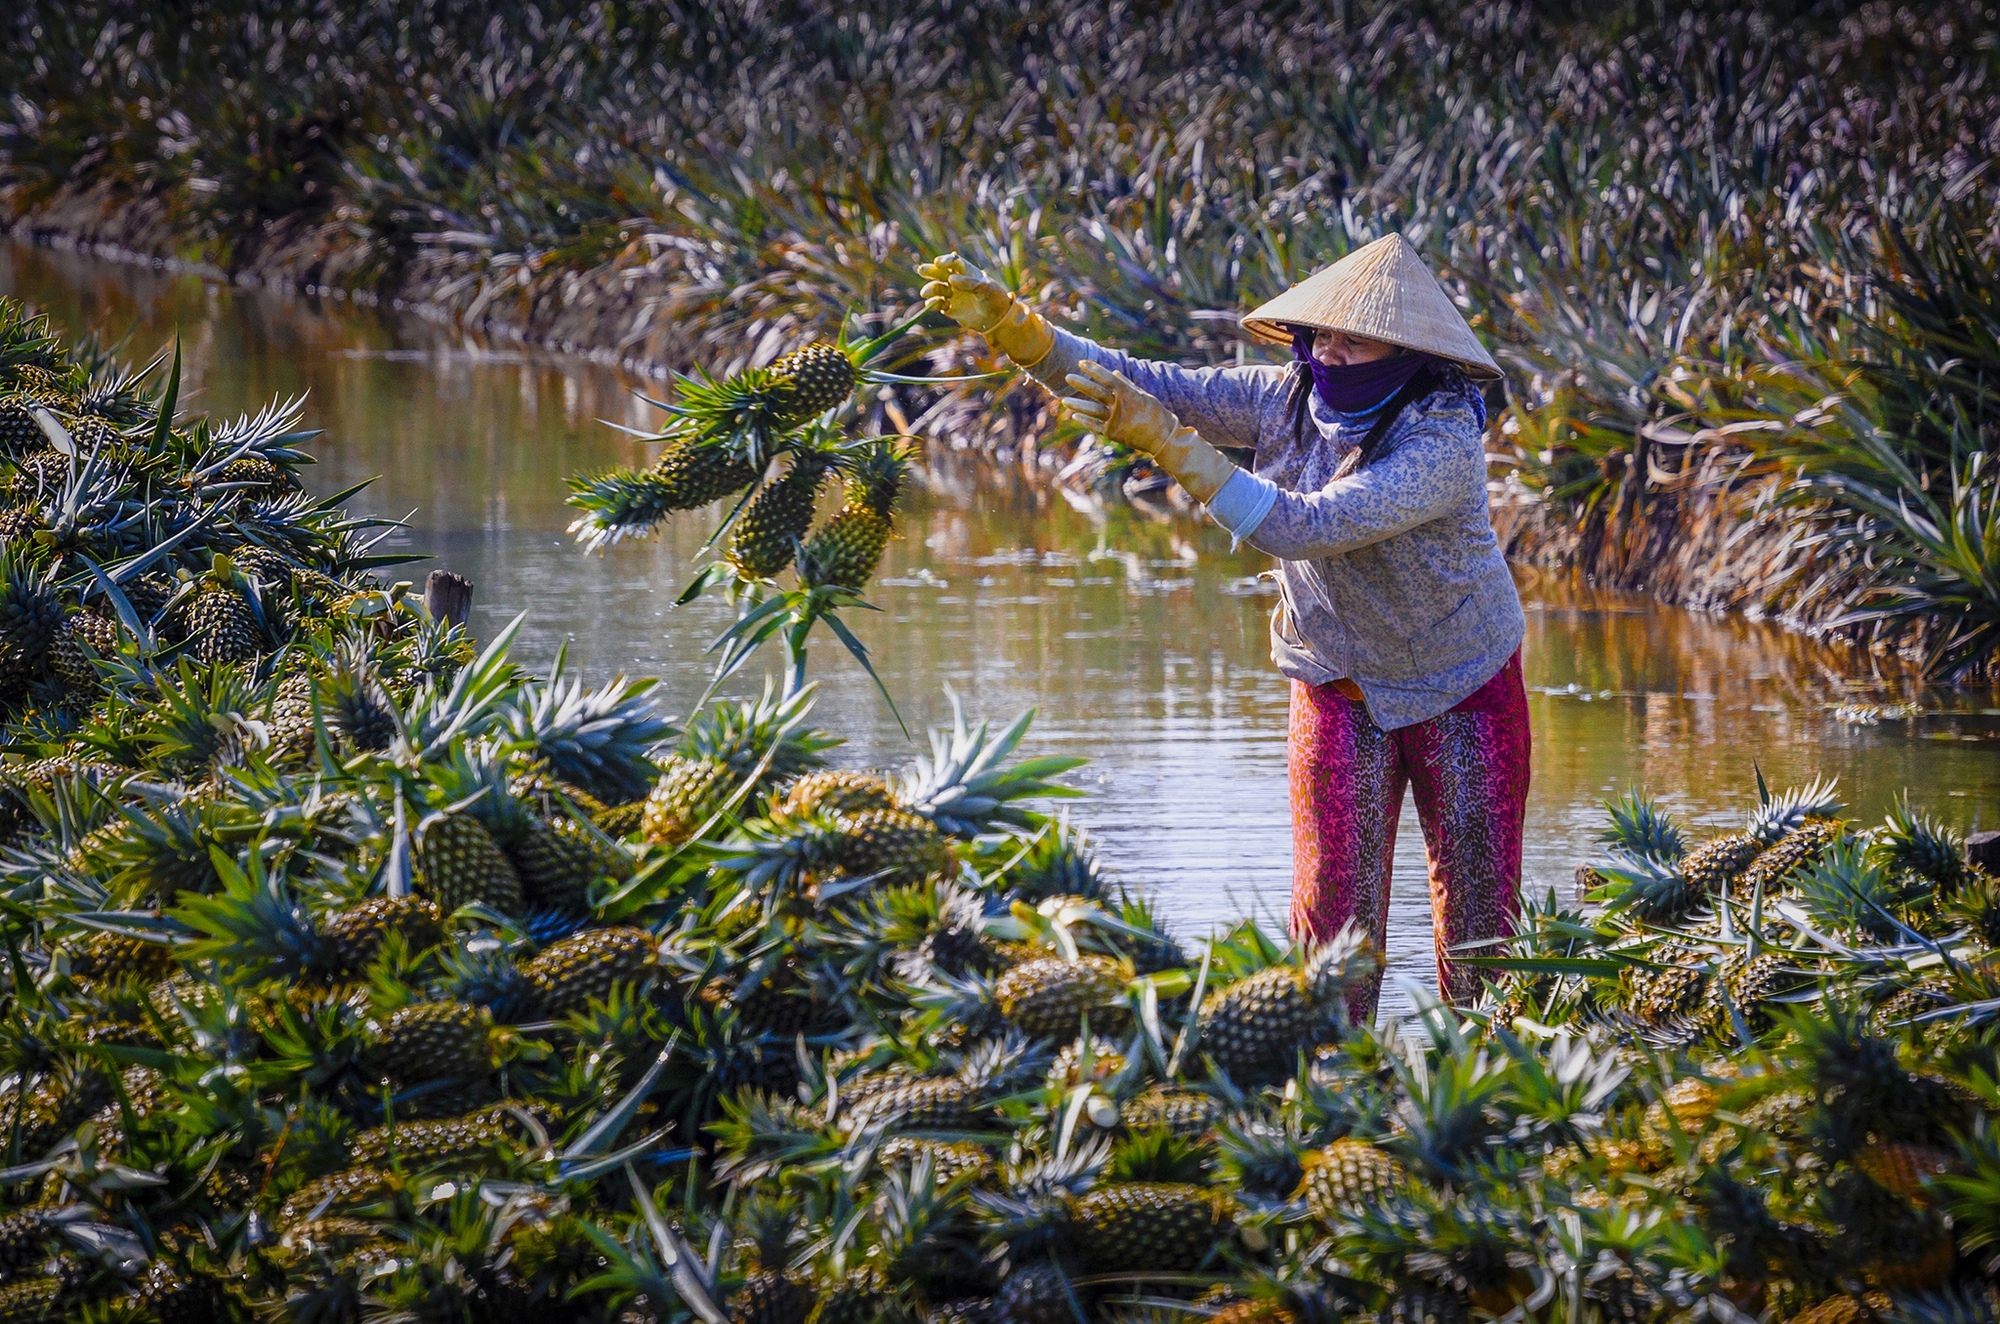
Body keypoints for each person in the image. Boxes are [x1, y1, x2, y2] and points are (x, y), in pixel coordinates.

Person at [918, 234, 1529, 1017]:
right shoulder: (1282, 400)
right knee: (1332, 924)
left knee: (1483, 929)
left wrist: (1175, 450)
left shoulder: (1439, 438)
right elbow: (1143, 384)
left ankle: (1491, 1085)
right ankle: (1335, 1097)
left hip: (1461, 684)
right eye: (1320, 335)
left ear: (1405, 351)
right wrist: (1023, 334)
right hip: (1338, 682)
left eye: (1353, 338)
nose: (1330, 353)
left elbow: (1304, 527)